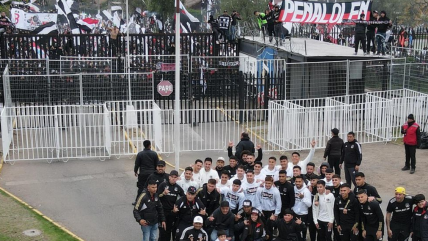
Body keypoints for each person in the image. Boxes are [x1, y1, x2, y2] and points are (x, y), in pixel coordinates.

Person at [157, 170, 185, 241]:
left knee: (170, 231)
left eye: (175, 177)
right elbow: (156, 197)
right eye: (172, 177)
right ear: (169, 177)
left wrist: (177, 206)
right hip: (162, 212)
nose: (173, 178)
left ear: (177, 178)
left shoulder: (177, 187)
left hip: (172, 212)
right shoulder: (163, 185)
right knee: (163, 232)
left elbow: (184, 197)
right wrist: (163, 193)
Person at [256, 176, 282, 241]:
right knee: (262, 226)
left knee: (269, 227)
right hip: (262, 211)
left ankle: (270, 239)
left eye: (269, 183)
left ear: (272, 183)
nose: (267, 185)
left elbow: (278, 203)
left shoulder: (276, 191)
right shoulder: (260, 189)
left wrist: (276, 214)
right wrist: (259, 210)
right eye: (266, 183)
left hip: (271, 211)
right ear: (264, 182)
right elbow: (257, 200)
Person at [134, 140, 160, 204]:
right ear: (150, 145)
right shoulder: (154, 154)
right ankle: (154, 200)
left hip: (143, 174)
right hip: (152, 174)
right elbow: (157, 164)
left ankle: (138, 201)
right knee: (153, 187)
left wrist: (135, 171)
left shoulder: (140, 154)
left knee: (141, 188)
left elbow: (137, 164)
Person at [292, 176, 312, 241]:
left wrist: (303, 198)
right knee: (295, 231)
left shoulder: (306, 191)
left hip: (303, 214)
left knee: (303, 230)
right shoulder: (293, 188)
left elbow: (309, 204)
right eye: (296, 181)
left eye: (299, 181)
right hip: (294, 212)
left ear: (303, 181)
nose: (297, 183)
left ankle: (304, 238)